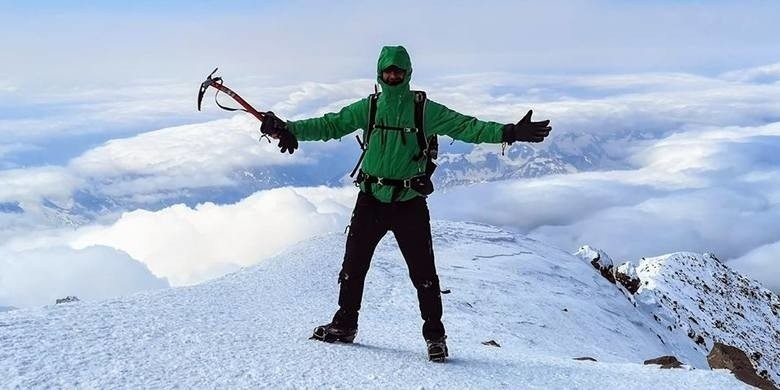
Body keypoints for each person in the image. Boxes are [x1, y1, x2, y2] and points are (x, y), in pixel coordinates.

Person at [260, 45, 551, 362]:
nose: (393, 76)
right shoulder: (369, 108)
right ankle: (345, 325)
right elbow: (331, 124)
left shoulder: (424, 110)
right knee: (353, 268)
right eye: (388, 71)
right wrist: (289, 129)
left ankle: (435, 338)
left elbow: (467, 126)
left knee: (424, 274)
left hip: (409, 203)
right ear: (380, 73)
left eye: (398, 71)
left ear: (408, 73)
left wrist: (508, 132)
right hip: (371, 198)